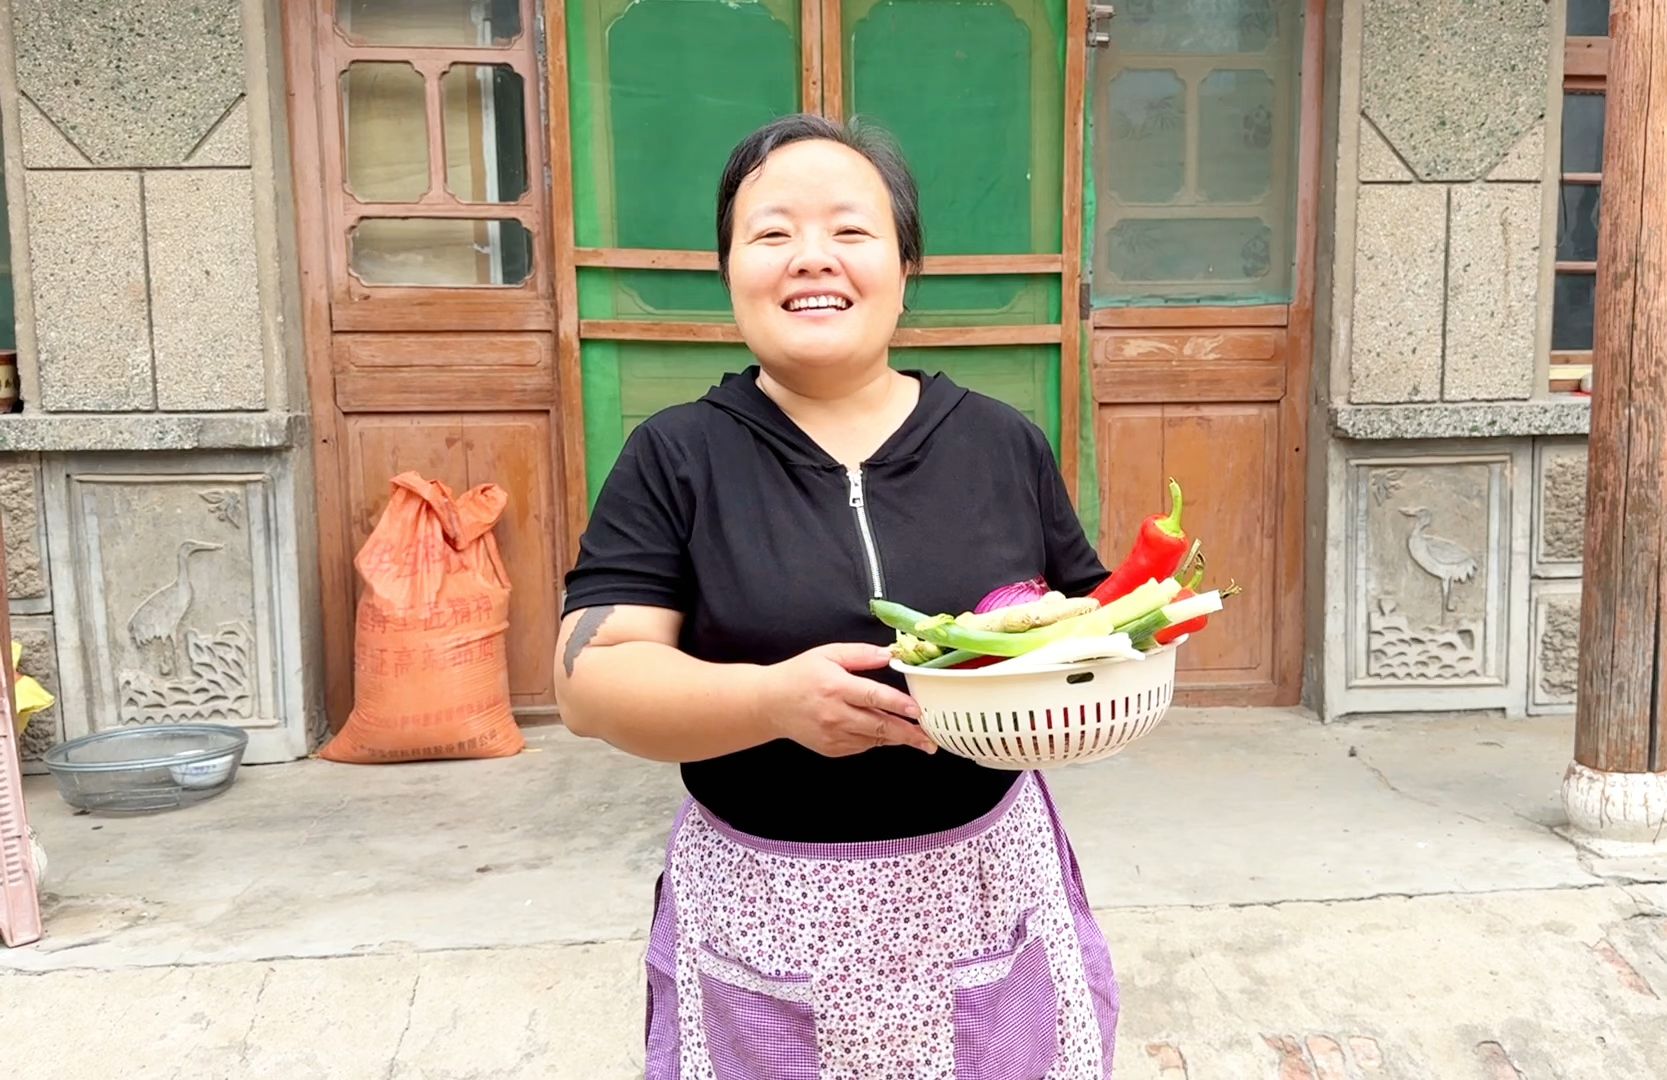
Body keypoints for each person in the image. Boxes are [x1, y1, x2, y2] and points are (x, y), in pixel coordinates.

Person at [555, 114, 1119, 1079]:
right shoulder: (676, 455)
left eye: (850, 231)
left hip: (984, 887)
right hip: (763, 904)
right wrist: (773, 702)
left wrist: (1055, 691)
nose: (811, 258)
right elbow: (590, 681)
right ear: (728, 270)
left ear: (906, 264)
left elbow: (1095, 620)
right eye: (770, 233)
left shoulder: (998, 441)